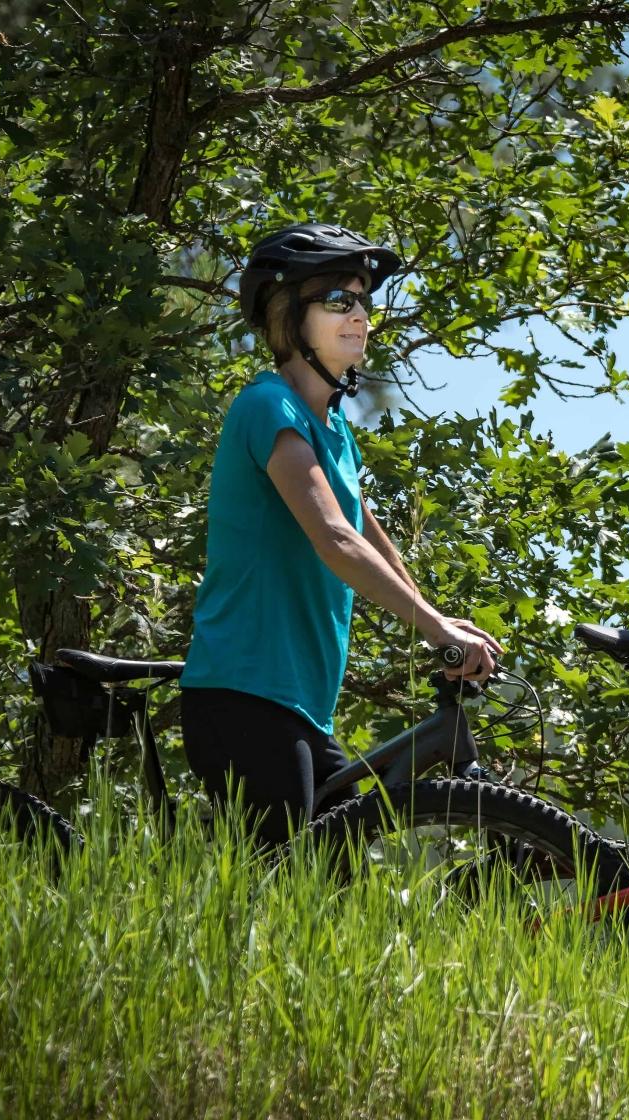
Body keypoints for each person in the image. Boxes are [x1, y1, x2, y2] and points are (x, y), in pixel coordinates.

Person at [180, 222, 501, 846]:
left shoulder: (334, 429)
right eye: (337, 301)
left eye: (363, 301)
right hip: (244, 692)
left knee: (333, 875)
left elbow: (362, 526)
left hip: (298, 704)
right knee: (287, 887)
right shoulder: (269, 406)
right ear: (288, 315)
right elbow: (334, 538)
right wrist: (436, 630)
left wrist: (441, 623)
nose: (359, 316)